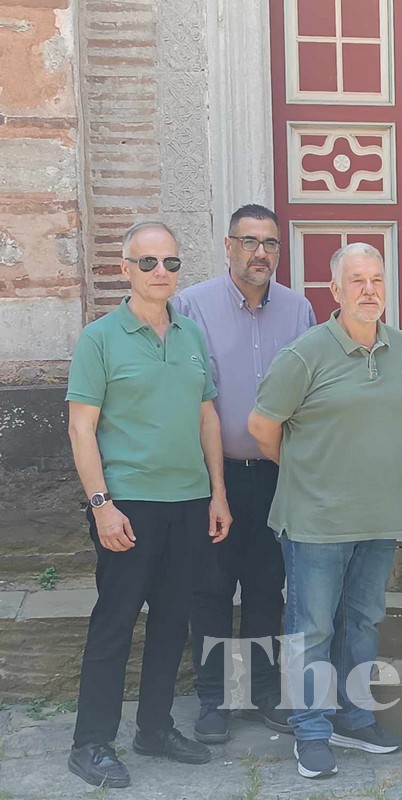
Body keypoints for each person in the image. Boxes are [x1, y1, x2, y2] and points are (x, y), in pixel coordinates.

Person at [248, 243, 402, 780]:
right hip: (316, 520)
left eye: (377, 280)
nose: (369, 290)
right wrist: (307, 472)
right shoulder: (304, 355)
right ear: (335, 291)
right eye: (357, 281)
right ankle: (311, 730)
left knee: (362, 621)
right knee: (312, 628)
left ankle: (354, 716)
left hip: (381, 517)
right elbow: (261, 427)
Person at [66, 221, 231, 788]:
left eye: (171, 262)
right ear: (125, 269)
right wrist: (101, 505)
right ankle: (91, 743)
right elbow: (81, 429)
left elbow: (207, 417)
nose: (161, 272)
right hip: (128, 504)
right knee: (115, 622)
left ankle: (155, 728)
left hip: (188, 502)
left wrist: (218, 493)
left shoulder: (191, 335)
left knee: (171, 621)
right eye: (148, 262)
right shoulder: (99, 339)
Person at [174, 204, 315, 742]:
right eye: (250, 241)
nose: (261, 252)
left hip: (278, 474)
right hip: (216, 476)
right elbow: (187, 396)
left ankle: (262, 692)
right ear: (228, 246)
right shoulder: (192, 306)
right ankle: (214, 698)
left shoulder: (299, 310)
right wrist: (211, 487)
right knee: (210, 587)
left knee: (267, 585)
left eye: (270, 243)